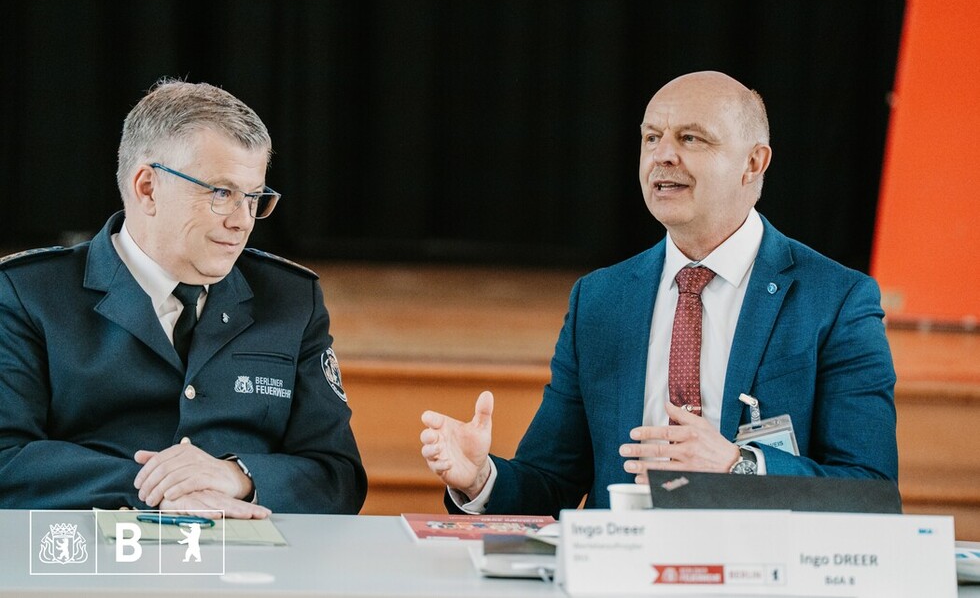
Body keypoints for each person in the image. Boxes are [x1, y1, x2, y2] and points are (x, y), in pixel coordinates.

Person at [419, 71, 898, 517]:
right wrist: (481, 478)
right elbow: (552, 482)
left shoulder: (836, 300)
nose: (662, 155)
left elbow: (871, 494)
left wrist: (739, 466)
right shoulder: (601, 299)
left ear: (754, 162)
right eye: (651, 138)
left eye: (690, 138)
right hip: (620, 573)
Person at [0, 79, 366, 517]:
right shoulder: (28, 293)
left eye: (254, 198)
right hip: (92, 561)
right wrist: (159, 488)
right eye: (221, 193)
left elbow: (338, 476)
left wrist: (237, 478)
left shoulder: (291, 299)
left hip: (250, 570)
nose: (242, 221)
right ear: (148, 188)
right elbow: (7, 458)